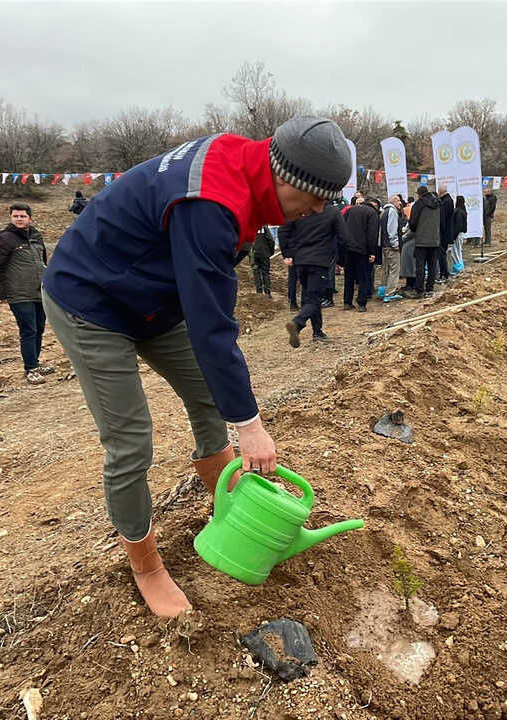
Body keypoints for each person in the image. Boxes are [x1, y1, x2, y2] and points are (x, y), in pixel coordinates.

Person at [40, 116, 351, 618]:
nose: (318, 209)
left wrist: (237, 411)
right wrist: (250, 427)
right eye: (315, 197)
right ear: (286, 177)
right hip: (89, 300)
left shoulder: (244, 167)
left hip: (152, 298)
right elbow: (211, 326)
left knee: (208, 396)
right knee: (131, 439)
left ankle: (230, 502)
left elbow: (206, 314)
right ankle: (146, 568)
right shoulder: (212, 202)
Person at [0, 202, 53, 385]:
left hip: (39, 292)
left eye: (22, 216)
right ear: (11, 218)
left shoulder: (36, 237)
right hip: (19, 294)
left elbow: (42, 261)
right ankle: (30, 369)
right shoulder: (4, 239)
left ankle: (35, 364)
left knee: (39, 328)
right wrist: (0, 293)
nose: (19, 219)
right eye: (15, 216)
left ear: (30, 218)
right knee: (28, 330)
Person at [282, 203, 346, 344]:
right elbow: (343, 237)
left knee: (310, 296)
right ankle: (297, 323)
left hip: (301, 261)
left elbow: (284, 230)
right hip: (320, 261)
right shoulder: (333, 211)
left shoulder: (300, 207)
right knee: (314, 298)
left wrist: (288, 254)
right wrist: (341, 260)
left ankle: (317, 331)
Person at [340, 197, 380, 311]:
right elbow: (372, 234)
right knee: (363, 277)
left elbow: (342, 227)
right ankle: (361, 303)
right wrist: (372, 252)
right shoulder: (372, 213)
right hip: (362, 250)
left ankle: (347, 302)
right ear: (374, 206)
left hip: (348, 248)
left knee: (349, 276)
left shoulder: (350, 210)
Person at [408, 185, 442, 297]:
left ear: (419, 194)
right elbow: (442, 222)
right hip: (435, 239)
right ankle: (429, 289)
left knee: (420, 266)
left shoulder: (418, 204)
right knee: (432, 266)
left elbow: (412, 223)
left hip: (422, 240)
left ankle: (419, 290)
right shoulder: (438, 203)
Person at [378, 194, 404, 298]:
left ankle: (383, 290)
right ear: (393, 201)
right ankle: (390, 293)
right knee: (394, 269)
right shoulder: (392, 212)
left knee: (386, 269)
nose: (400, 203)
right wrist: (395, 244)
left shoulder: (384, 212)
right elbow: (391, 230)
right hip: (391, 246)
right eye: (398, 200)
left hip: (384, 245)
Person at [251, 225, 276, 297]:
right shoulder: (265, 228)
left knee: (256, 272)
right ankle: (267, 292)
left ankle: (259, 292)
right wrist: (271, 252)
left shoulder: (252, 227)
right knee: (265, 273)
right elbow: (271, 240)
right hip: (264, 254)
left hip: (255, 254)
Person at [437, 185, 455, 281]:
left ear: (441, 192)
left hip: (444, 232)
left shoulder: (446, 201)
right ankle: (444, 272)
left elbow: (442, 218)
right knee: (442, 253)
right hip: (446, 231)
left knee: (441, 253)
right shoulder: (448, 200)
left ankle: (444, 273)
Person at [450, 196, 468, 273]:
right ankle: (459, 267)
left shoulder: (458, 212)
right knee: (458, 251)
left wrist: (453, 236)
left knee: (455, 252)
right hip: (460, 234)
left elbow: (458, 225)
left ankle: (458, 268)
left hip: (457, 234)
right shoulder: (463, 211)